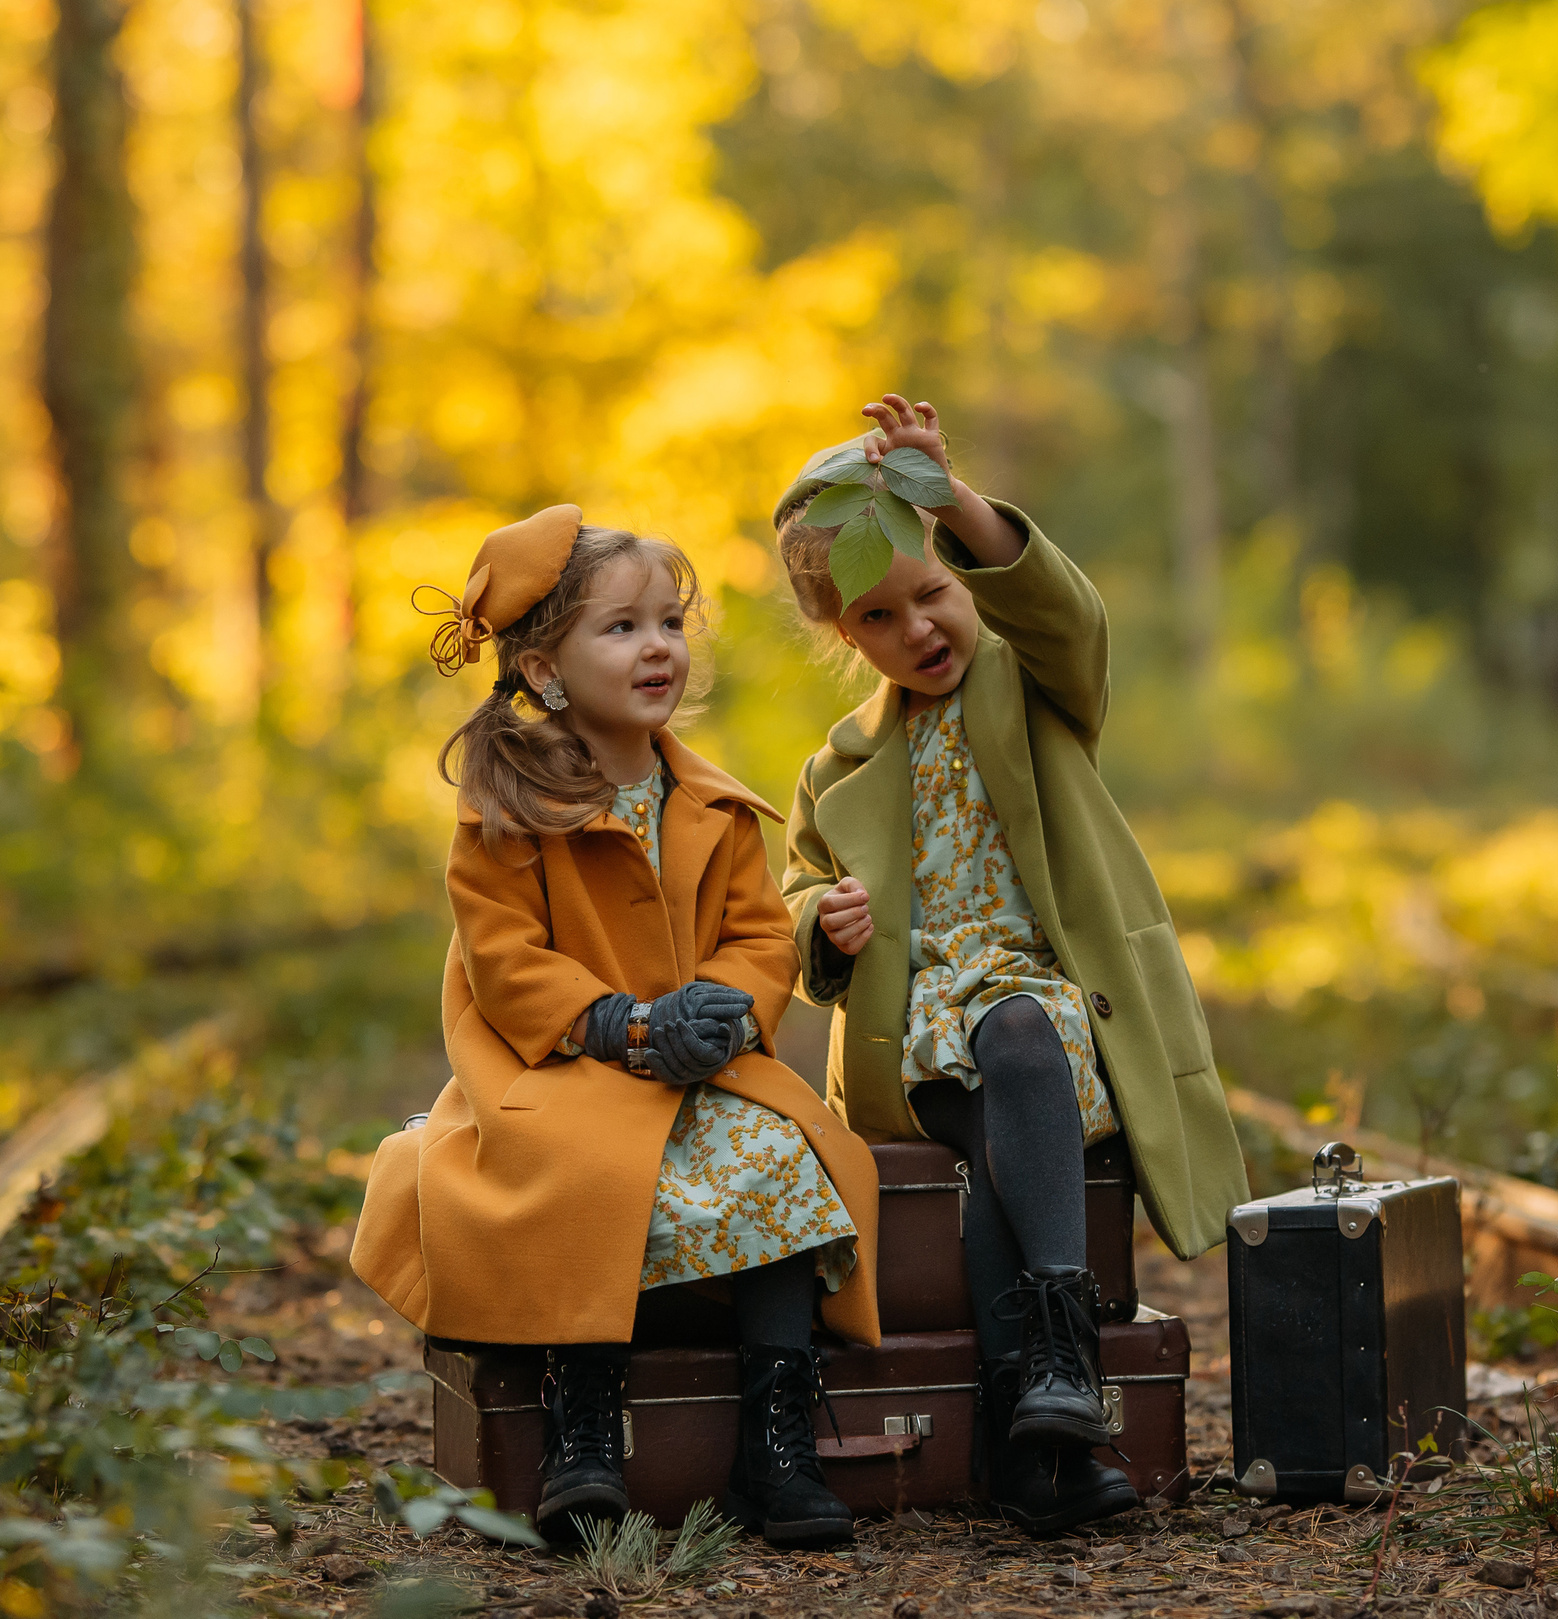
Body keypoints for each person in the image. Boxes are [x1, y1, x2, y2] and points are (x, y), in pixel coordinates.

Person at [352, 506, 879, 1550]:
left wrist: (725, 1012)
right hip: (564, 1063)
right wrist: (622, 1021)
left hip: (701, 1069)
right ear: (545, 671)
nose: (658, 647)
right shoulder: (507, 807)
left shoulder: (712, 804)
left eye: (671, 622)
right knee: (584, 1171)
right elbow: (504, 958)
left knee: (787, 1156)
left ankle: (776, 1440)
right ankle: (580, 1420)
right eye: (623, 627)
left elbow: (757, 934)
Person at [775, 396, 1250, 1535]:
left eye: (935, 593)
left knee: (1020, 1044)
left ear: (963, 577)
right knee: (993, 1086)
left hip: (1055, 995)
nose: (921, 629)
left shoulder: (1032, 683)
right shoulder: (836, 765)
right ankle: (1057, 1393)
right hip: (915, 1025)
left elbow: (1065, 614)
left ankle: (1039, 1411)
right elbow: (790, 898)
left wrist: (962, 499)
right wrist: (820, 926)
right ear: (849, 637)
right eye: (882, 617)